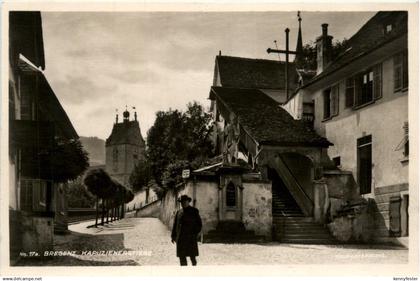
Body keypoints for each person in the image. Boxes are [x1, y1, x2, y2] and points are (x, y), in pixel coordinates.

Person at [171, 195, 202, 266]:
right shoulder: (178, 212)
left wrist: (194, 234)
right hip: (181, 239)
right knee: (182, 258)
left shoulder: (194, 211)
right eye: (182, 202)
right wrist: (173, 236)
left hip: (190, 239)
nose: (183, 203)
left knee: (192, 257)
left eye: (185, 201)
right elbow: (175, 225)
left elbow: (199, 224)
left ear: (188, 202)